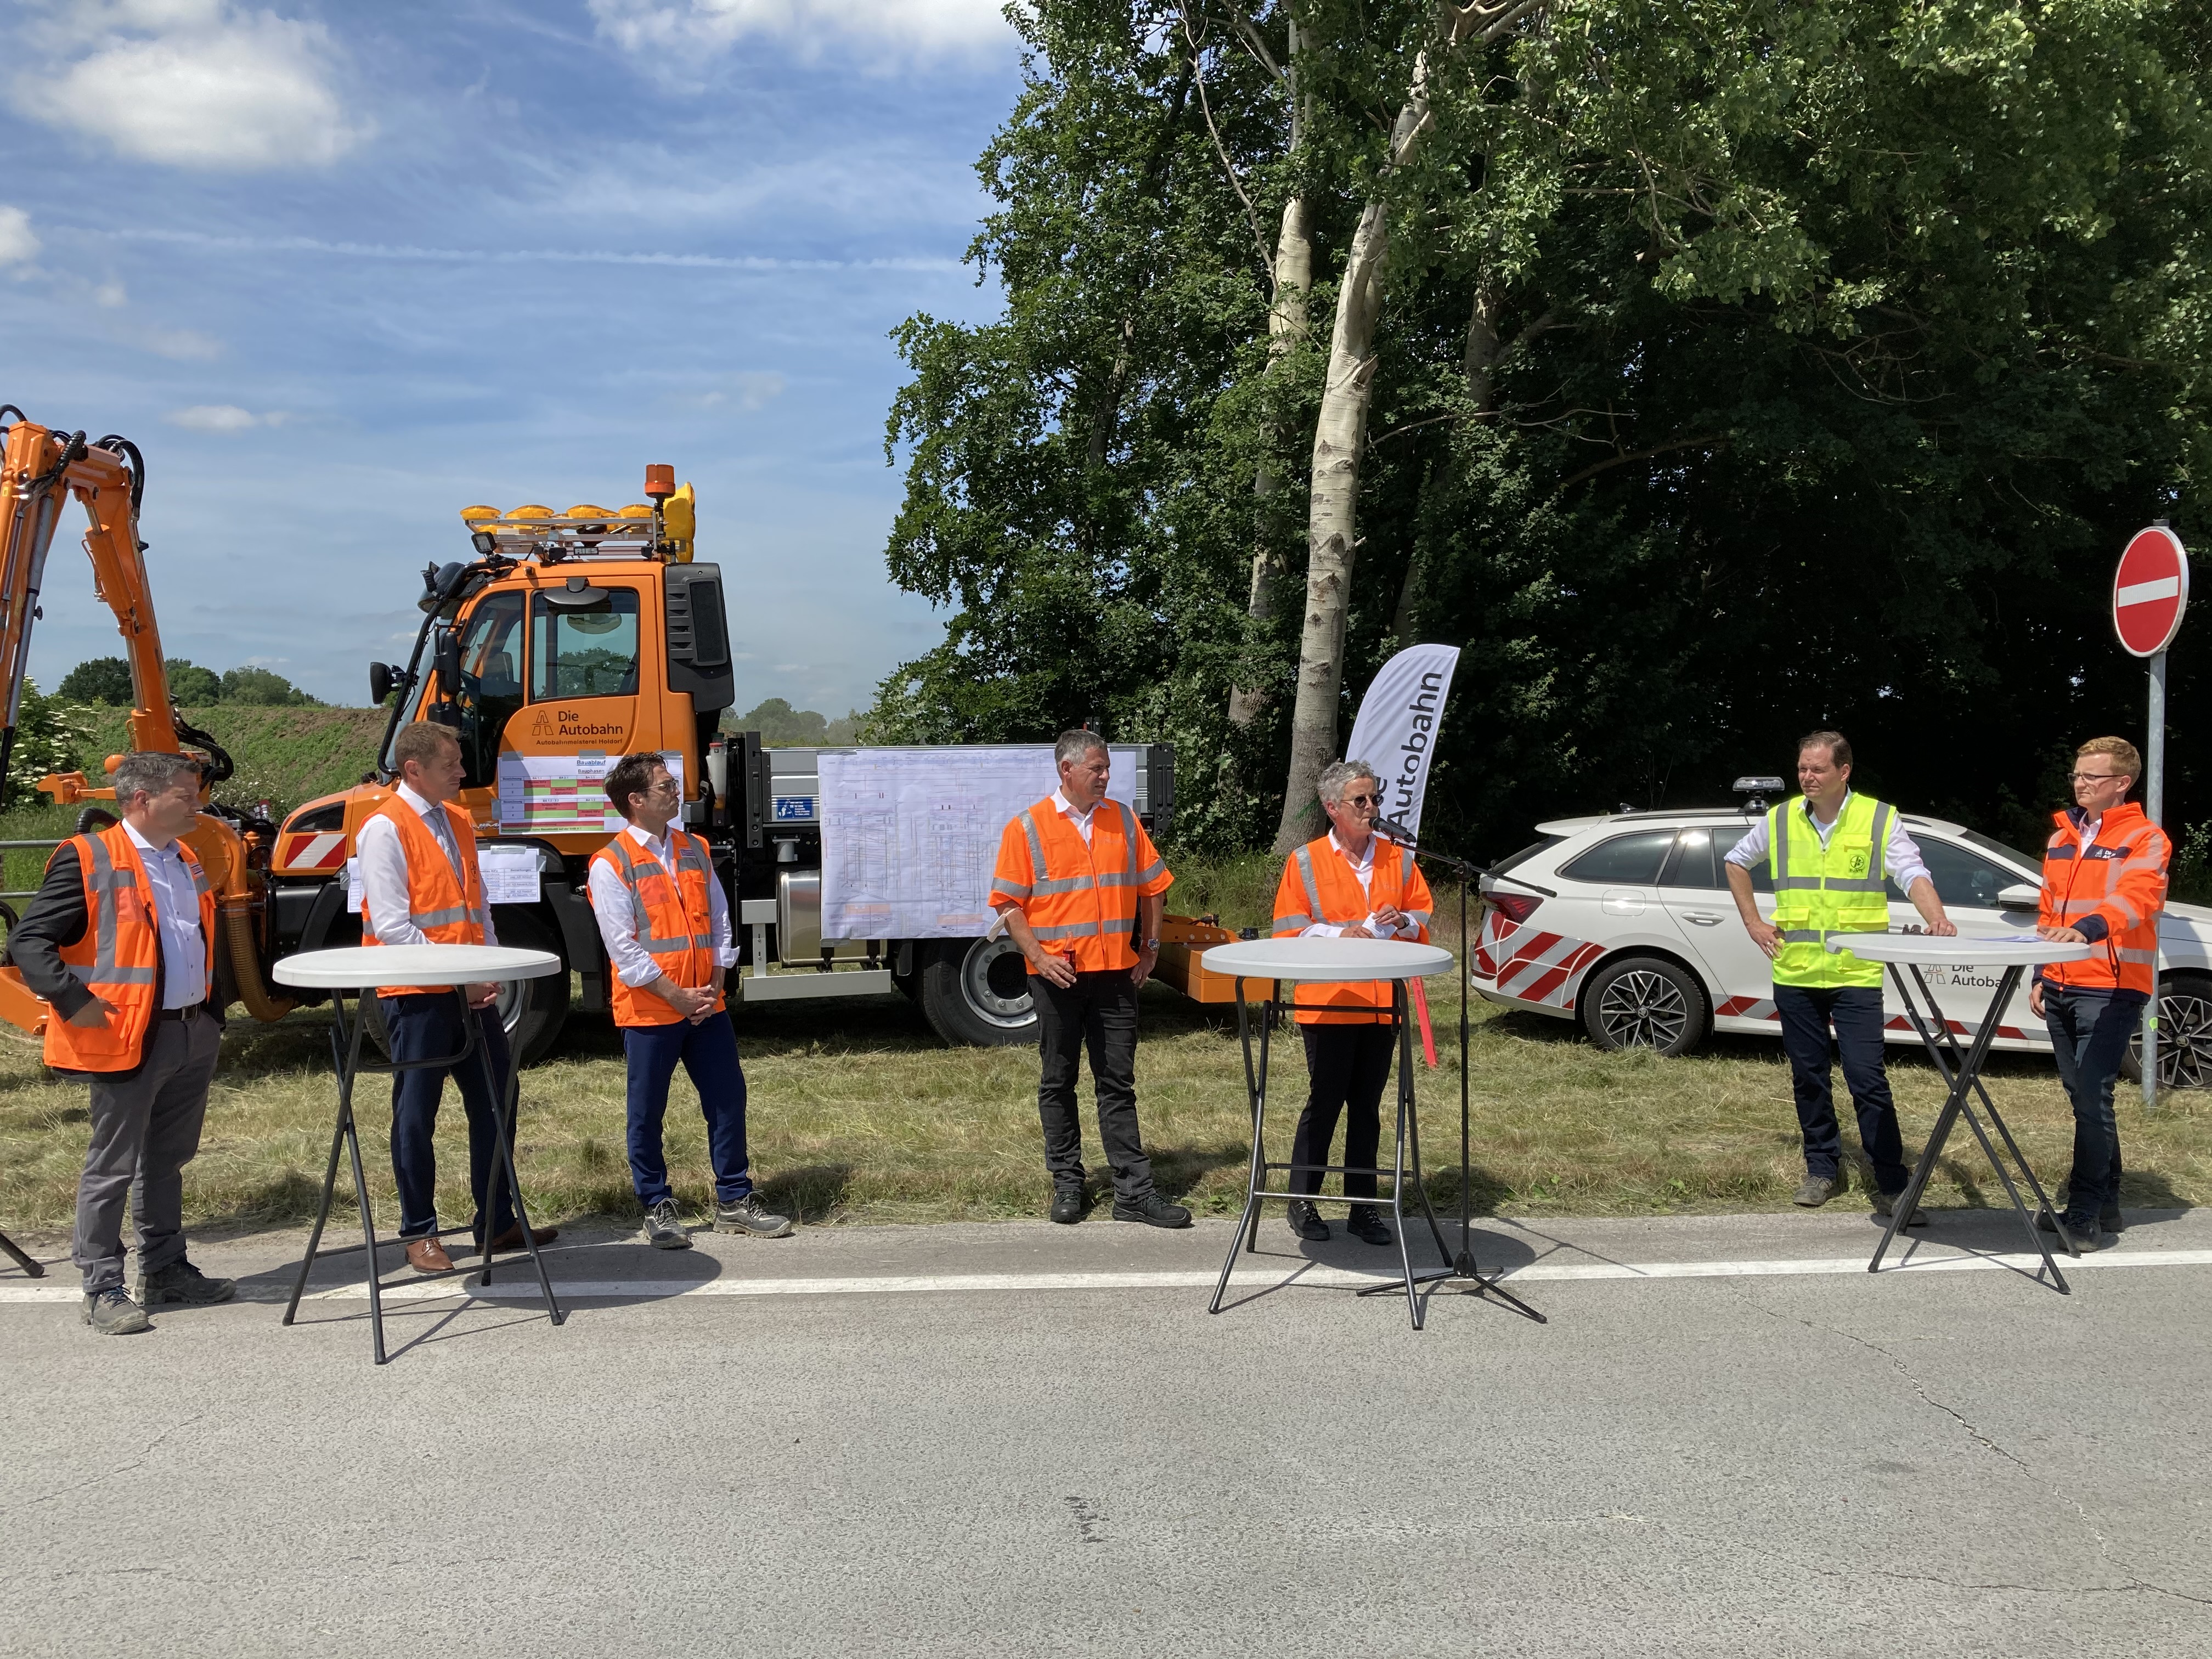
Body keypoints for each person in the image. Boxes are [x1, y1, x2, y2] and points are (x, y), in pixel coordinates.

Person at [14, 751, 230, 1335]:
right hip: (126, 1035)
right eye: (186, 795)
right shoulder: (88, 857)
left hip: (190, 1030)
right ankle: (102, 1284)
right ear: (142, 799)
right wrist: (75, 1002)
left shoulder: (184, 857)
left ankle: (165, 1270)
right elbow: (29, 941)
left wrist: (214, 1014)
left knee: (167, 1159)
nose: (197, 804)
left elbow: (198, 938)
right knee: (113, 1164)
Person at [1724, 731, 1955, 1220]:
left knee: (1867, 1079)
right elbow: (1736, 862)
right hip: (1797, 971)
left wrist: (1936, 916)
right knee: (1809, 1077)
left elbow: (1912, 872)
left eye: (1818, 769)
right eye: (1803, 769)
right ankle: (1822, 1170)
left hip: (1856, 973)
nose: (1807, 777)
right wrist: (1752, 921)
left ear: (1843, 772)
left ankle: (1892, 1183)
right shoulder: (1782, 818)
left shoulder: (1877, 818)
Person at [358, 721, 552, 1272]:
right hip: (417, 994)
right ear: (414, 769)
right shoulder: (383, 829)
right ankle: (419, 1232)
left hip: (470, 991)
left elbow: (478, 907)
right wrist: (460, 977)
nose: (463, 773)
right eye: (452, 765)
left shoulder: (460, 821)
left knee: (498, 1100)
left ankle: (497, 1219)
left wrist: (486, 969)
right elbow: (395, 926)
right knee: (417, 1115)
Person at [586, 751, 791, 1248]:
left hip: (705, 1005)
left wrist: (715, 983)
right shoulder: (610, 864)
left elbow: (720, 919)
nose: (676, 791)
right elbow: (624, 950)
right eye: (664, 786)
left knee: (727, 1100)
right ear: (635, 801)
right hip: (652, 1009)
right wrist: (677, 996)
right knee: (647, 1112)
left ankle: (735, 1200)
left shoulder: (694, 848)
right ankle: (656, 1205)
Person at [989, 730, 1186, 1227]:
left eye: (1107, 768)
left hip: (1116, 974)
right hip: (1059, 977)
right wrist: (1037, 955)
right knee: (1058, 1080)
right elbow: (1009, 903)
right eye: (1097, 768)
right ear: (1067, 771)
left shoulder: (1120, 819)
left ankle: (1134, 1194)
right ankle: (1067, 1184)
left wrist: (1151, 949)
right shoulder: (1028, 827)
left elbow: (1153, 887)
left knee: (1117, 1082)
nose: (1106, 776)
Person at [1269, 759, 1434, 1247]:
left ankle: (1365, 1208)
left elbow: (1423, 914)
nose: (1370, 808)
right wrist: (1341, 932)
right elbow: (1287, 928)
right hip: (1328, 1003)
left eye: (1374, 798)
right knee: (1325, 1102)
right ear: (1332, 808)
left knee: (1367, 1106)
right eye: (1359, 801)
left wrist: (1401, 919)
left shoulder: (1397, 858)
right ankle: (1303, 1201)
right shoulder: (1305, 861)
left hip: (1382, 999)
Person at [2030, 736, 2170, 1251]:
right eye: (2077, 775)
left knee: (2093, 1097)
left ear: (2121, 783)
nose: (2080, 784)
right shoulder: (2062, 836)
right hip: (2064, 982)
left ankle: (2084, 1210)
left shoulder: (2145, 837)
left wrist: (2088, 930)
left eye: (2091, 777)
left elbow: (2138, 898)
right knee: (2083, 1098)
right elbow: (2049, 913)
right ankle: (2106, 1199)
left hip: (2112, 986)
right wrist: (2041, 971)